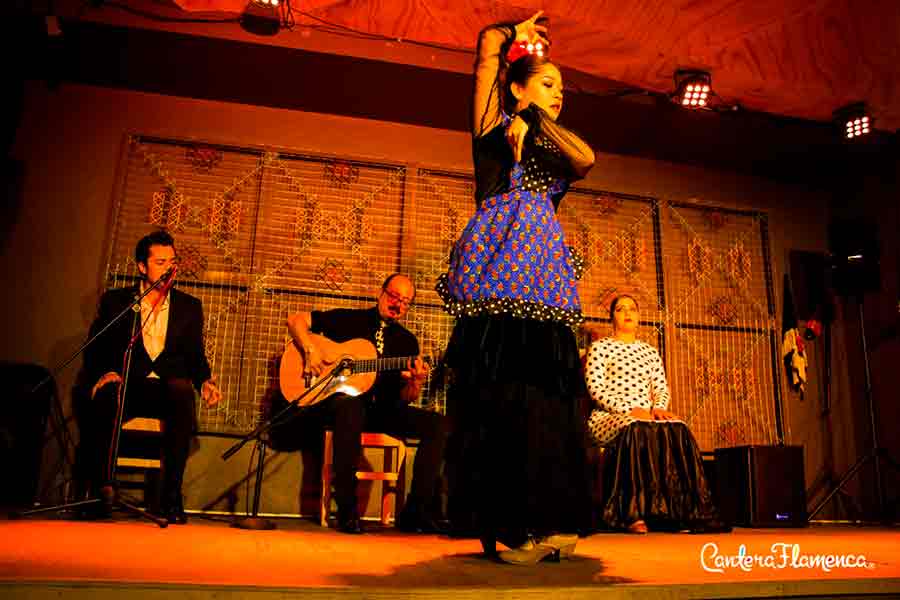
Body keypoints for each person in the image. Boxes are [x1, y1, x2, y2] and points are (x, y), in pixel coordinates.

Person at [436, 11, 595, 564]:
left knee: (551, 401)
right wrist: (509, 33)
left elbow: (586, 158)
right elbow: (484, 51)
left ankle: (553, 518)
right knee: (503, 399)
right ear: (518, 85)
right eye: (547, 85)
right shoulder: (490, 130)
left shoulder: (555, 143)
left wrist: (537, 117)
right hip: (498, 273)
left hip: (545, 281)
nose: (558, 96)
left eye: (561, 91)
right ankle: (513, 523)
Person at [283, 273, 448, 534]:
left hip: (383, 410)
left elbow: (405, 398)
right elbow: (296, 320)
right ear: (380, 293)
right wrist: (310, 349)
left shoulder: (407, 342)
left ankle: (416, 511)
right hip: (341, 407)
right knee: (351, 406)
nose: (398, 305)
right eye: (394, 297)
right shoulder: (349, 320)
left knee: (439, 425)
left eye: (405, 302)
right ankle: (347, 510)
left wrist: (415, 382)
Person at [79, 230, 221, 524]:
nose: (168, 268)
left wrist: (205, 381)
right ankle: (101, 490)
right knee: (107, 394)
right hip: (129, 383)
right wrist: (103, 373)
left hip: (167, 389)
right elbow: (96, 346)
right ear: (142, 266)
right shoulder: (117, 301)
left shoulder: (189, 306)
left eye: (172, 261)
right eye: (160, 262)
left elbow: (195, 355)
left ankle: (170, 498)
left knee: (182, 392)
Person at [584, 294, 729, 534]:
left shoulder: (649, 352)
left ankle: (681, 513)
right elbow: (595, 390)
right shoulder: (601, 348)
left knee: (678, 428)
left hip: (647, 415)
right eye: (620, 309)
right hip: (609, 417)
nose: (627, 313)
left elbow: (661, 387)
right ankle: (631, 514)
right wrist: (630, 410)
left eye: (632, 309)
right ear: (612, 317)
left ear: (639, 316)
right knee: (635, 426)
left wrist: (659, 408)